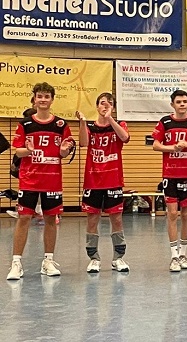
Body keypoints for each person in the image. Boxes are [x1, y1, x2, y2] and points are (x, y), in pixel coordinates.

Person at [7, 82, 75, 280]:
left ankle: (48, 261)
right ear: (34, 99)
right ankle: (16, 263)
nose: (43, 100)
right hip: (29, 179)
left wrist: (64, 150)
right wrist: (28, 150)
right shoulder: (25, 124)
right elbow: (18, 151)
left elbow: (64, 152)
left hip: (52, 180)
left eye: (47, 96)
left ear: (52, 100)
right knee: (24, 219)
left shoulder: (61, 125)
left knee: (51, 219)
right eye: (40, 96)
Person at [152, 89, 187, 272]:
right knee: (172, 214)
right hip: (170, 174)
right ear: (172, 104)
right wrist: (173, 147)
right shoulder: (165, 122)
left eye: (185, 101)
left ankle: (183, 254)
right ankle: (173, 256)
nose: (182, 104)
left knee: (186, 215)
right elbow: (155, 145)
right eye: (178, 102)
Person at [77, 93, 131, 273]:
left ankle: (118, 258)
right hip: (93, 181)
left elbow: (125, 138)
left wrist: (110, 119)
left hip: (113, 180)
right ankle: (94, 258)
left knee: (117, 219)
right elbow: (83, 143)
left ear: (113, 108)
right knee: (92, 219)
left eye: (109, 103)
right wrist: (83, 123)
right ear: (97, 106)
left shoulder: (119, 124)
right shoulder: (91, 127)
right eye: (102, 103)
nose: (105, 106)